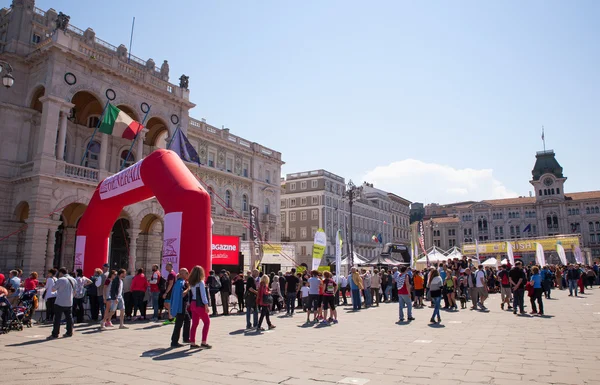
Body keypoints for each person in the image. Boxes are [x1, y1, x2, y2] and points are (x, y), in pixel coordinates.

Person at [47, 268, 76, 339]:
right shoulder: (73, 279)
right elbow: (75, 292)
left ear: (60, 273)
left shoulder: (61, 279)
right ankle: (69, 332)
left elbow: (53, 289)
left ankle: (55, 334)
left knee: (57, 318)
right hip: (69, 301)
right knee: (69, 317)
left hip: (60, 301)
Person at [188, 265, 211, 349]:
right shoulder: (201, 282)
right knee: (207, 322)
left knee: (194, 324)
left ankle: (192, 342)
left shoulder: (191, 282)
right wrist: (206, 305)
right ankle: (204, 341)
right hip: (199, 304)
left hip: (193, 303)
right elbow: (203, 294)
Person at [170, 268, 191, 347]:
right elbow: (182, 294)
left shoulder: (181, 282)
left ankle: (185, 338)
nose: (187, 274)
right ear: (182, 274)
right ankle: (174, 342)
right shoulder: (180, 283)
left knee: (187, 320)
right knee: (179, 323)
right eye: (186, 273)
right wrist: (188, 288)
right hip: (180, 306)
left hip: (182, 306)